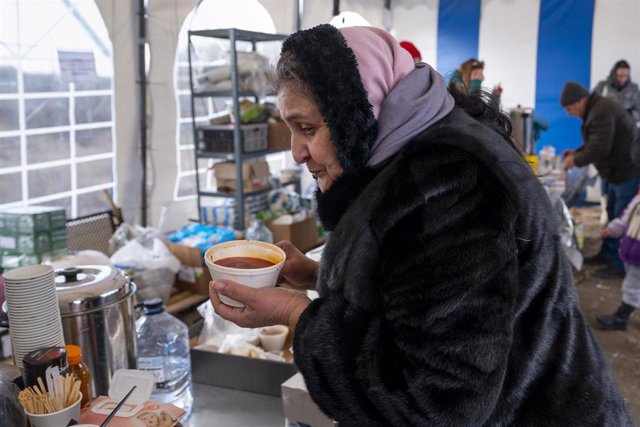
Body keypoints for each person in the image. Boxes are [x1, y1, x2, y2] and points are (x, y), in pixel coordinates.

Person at [210, 25, 632, 425]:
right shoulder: (421, 153)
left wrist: (298, 314)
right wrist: (319, 277)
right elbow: (431, 295)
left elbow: (439, 399)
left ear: (359, 112)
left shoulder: (450, 187)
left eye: (306, 128)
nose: (297, 153)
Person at [560, 81, 640, 278]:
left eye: (570, 109)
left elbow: (599, 148)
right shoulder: (598, 108)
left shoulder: (600, 111)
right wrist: (577, 152)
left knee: (622, 216)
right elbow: (596, 141)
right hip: (615, 170)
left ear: (581, 101)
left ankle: (619, 264)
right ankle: (608, 254)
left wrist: (575, 161)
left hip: (625, 170)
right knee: (612, 211)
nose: (570, 114)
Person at [596, 189, 640, 330]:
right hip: (631, 253)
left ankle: (621, 317)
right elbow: (625, 219)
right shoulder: (637, 201)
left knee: (631, 287)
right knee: (633, 285)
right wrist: (612, 229)